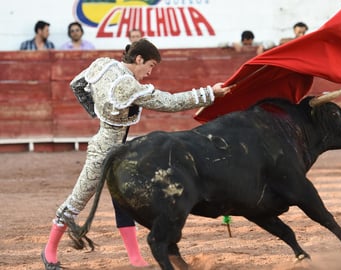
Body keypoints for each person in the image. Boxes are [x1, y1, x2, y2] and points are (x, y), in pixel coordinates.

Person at [41, 38, 232, 270]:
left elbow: (77, 84)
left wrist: (98, 112)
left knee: (124, 201)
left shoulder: (103, 64)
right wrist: (209, 94)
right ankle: (49, 252)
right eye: (150, 65)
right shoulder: (127, 86)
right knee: (77, 200)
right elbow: (169, 102)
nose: (150, 72)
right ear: (139, 59)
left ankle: (135, 259)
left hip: (118, 148)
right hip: (103, 152)